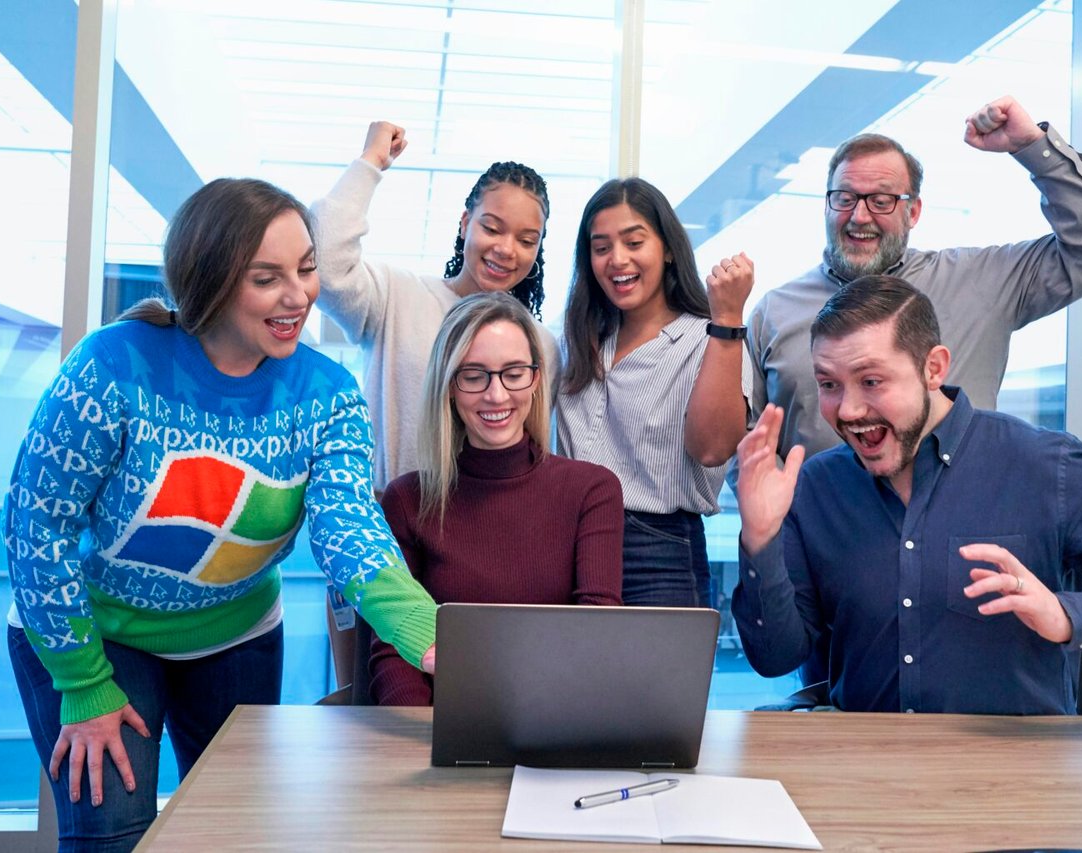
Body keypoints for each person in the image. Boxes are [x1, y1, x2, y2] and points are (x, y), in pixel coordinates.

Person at [3, 178, 439, 851]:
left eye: (305, 269)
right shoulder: (112, 366)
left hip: (234, 634)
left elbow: (347, 522)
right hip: (98, 635)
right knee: (112, 834)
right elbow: (37, 527)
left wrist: (425, 627)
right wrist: (83, 682)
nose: (298, 295)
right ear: (209, 280)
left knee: (236, 831)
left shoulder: (327, 394)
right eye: (267, 278)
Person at [731, 275, 1082, 714]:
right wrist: (758, 538)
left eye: (871, 380)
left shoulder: (1044, 466)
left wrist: (1067, 615)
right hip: (867, 774)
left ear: (934, 368)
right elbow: (775, 657)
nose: (847, 410)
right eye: (829, 384)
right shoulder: (817, 486)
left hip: (1016, 784)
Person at [746, 94, 1082, 462]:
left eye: (881, 201)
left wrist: (1033, 147)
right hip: (821, 531)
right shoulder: (775, 312)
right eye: (845, 198)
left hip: (960, 528)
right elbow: (747, 441)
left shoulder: (984, 282)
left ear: (914, 212)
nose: (859, 216)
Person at [369, 293, 625, 705]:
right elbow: (394, 650)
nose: (496, 395)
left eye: (513, 373)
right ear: (449, 387)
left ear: (536, 379)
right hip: (444, 728)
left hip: (559, 722)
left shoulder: (591, 491)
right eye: (474, 375)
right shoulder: (407, 500)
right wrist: (420, 737)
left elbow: (594, 633)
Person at [311, 120, 559, 492]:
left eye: (526, 239)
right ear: (465, 224)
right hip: (388, 521)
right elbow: (325, 265)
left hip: (483, 527)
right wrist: (370, 162)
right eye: (491, 228)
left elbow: (533, 450)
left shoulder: (540, 344)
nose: (506, 249)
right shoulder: (397, 296)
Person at [555, 177, 754, 607]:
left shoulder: (712, 338)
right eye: (601, 246)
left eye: (634, 242)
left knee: (658, 676)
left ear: (666, 249)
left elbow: (714, 448)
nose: (617, 259)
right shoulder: (576, 338)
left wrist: (727, 318)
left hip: (658, 551)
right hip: (567, 544)